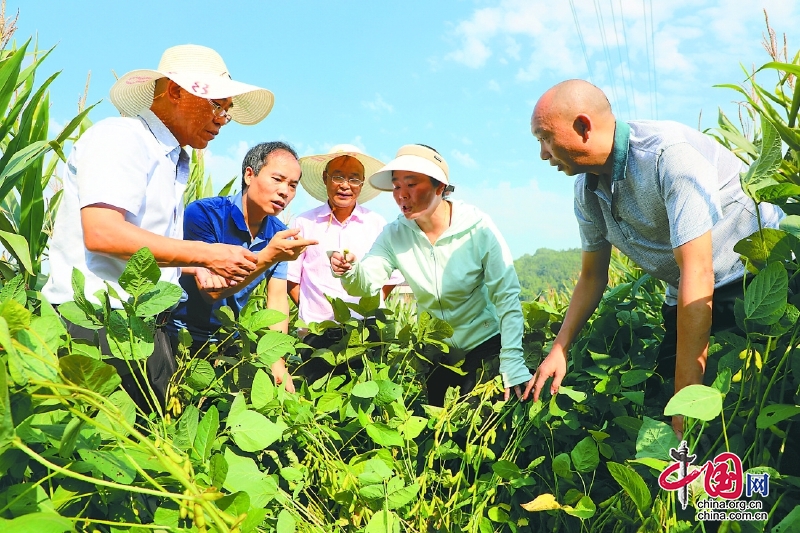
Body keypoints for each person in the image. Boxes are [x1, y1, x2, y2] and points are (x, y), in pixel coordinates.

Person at [528, 79, 784, 436]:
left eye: (545, 137)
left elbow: (699, 270)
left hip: (749, 278)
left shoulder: (667, 156)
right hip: (683, 294)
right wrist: (560, 348)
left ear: (583, 126)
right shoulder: (586, 192)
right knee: (665, 403)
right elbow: (592, 276)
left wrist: (686, 402)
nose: (543, 153)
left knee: (739, 408)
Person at [43, 44, 274, 412]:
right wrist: (207, 254)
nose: (220, 120)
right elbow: (104, 233)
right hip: (100, 327)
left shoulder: (170, 161)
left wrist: (192, 268)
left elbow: (144, 247)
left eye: (226, 112)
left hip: (148, 330)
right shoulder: (121, 138)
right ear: (176, 92)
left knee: (144, 454)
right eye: (217, 105)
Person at [330, 144, 535, 406]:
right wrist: (350, 270)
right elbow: (366, 281)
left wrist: (513, 361)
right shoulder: (395, 234)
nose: (402, 195)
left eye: (412, 184)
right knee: (431, 430)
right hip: (434, 348)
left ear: (440, 187)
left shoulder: (478, 228)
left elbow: (506, 297)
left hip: (482, 342)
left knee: (478, 421)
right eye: (396, 186)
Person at [167, 142, 316, 393]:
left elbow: (277, 301)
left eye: (292, 185)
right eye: (277, 179)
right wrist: (267, 256)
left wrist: (277, 361)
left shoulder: (279, 234)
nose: (284, 192)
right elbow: (211, 291)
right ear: (249, 175)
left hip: (229, 341)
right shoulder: (204, 213)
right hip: (179, 335)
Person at [288, 145, 402, 380]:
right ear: (325, 178)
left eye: (354, 178)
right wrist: (316, 310)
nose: (345, 185)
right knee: (316, 403)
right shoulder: (304, 223)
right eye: (338, 176)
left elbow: (390, 279)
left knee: (363, 404)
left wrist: (370, 307)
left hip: (365, 333)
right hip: (316, 335)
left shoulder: (377, 224)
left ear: (362, 184)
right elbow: (291, 279)